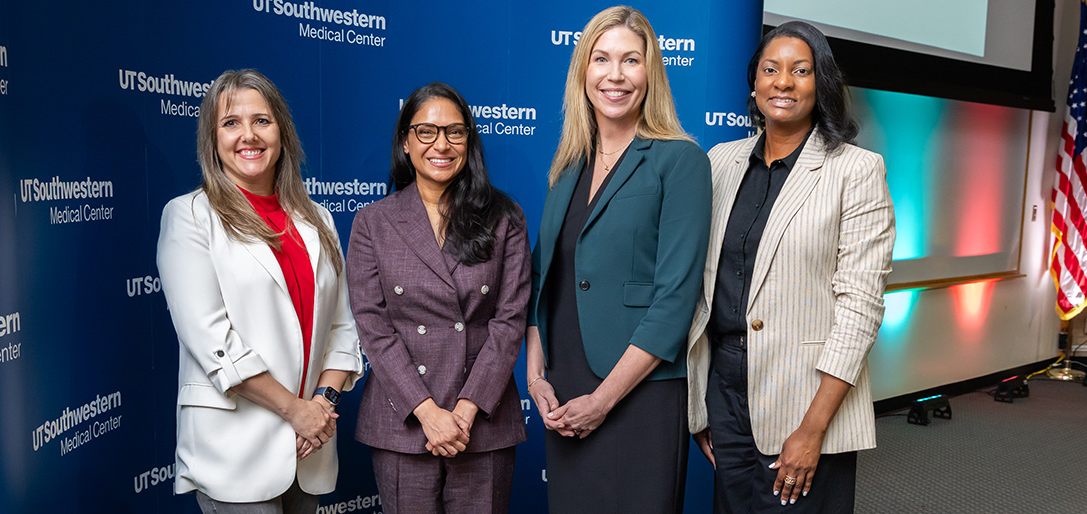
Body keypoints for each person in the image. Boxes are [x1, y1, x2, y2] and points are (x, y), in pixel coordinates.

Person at [685, 20, 896, 513]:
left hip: (806, 399)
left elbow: (860, 309)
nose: (783, 82)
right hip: (725, 389)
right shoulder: (720, 162)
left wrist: (813, 429)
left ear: (821, 84)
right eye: (770, 69)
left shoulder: (856, 170)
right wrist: (702, 404)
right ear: (754, 83)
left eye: (800, 71)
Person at [525, 6, 711, 514]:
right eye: (602, 59)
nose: (615, 75)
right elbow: (541, 280)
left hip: (638, 393)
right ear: (583, 70)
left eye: (631, 60)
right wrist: (536, 377)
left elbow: (675, 301)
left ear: (650, 73)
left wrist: (603, 400)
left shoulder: (681, 160)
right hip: (566, 391)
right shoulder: (568, 166)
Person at [157, 69, 363, 514]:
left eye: (262, 121)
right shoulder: (189, 216)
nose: (248, 135)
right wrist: (296, 411)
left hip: (310, 445)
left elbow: (342, 328)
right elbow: (212, 341)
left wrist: (322, 405)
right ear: (212, 139)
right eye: (231, 122)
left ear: (282, 132)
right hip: (236, 452)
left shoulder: (318, 219)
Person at [346, 82, 530, 514]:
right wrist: (427, 412)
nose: (441, 144)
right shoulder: (373, 222)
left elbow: (509, 322)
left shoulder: (504, 217)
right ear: (405, 142)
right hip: (404, 421)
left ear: (469, 140)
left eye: (454, 132)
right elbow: (374, 327)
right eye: (426, 132)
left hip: (482, 421)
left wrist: (465, 411)